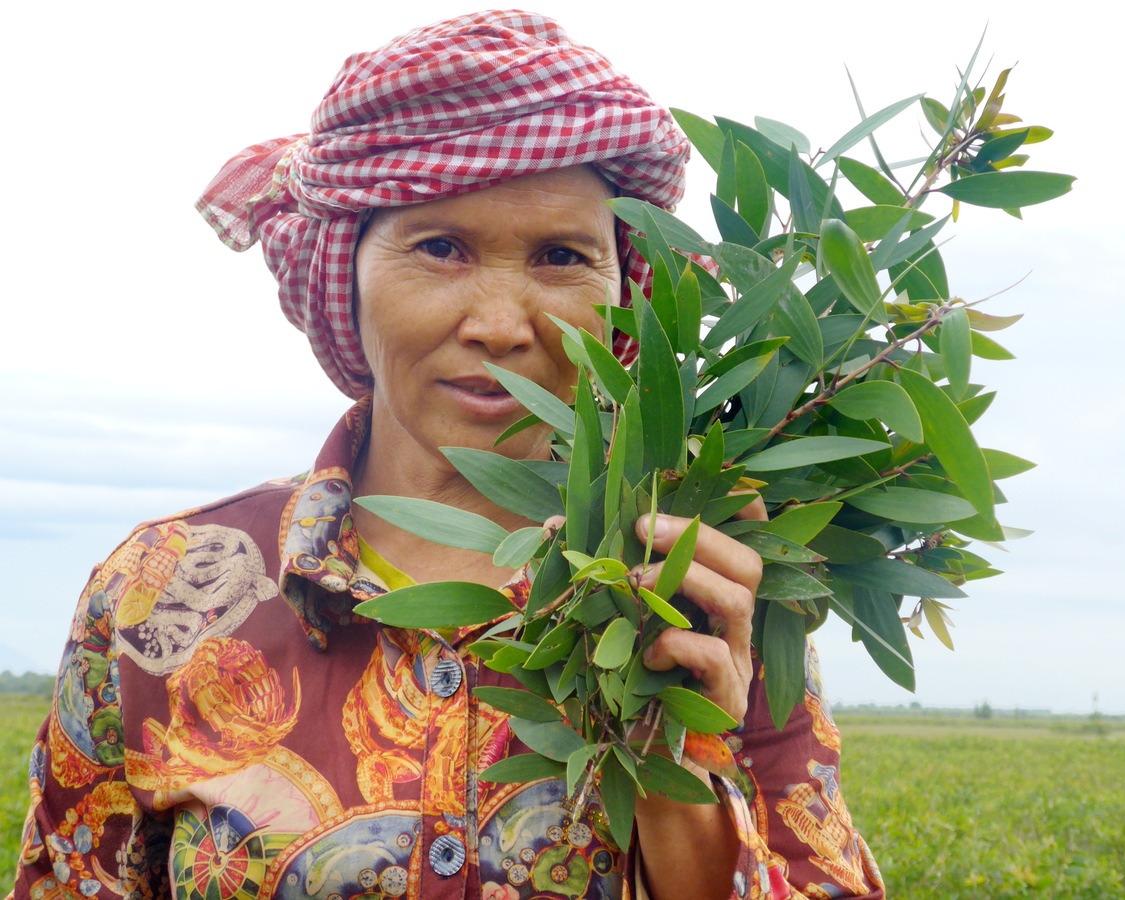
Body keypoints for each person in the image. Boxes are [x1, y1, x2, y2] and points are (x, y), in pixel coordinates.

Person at [8, 11, 885, 900]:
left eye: (560, 257)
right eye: (439, 248)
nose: (501, 325)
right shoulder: (161, 593)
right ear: (343, 270)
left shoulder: (704, 594)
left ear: (624, 293)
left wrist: (675, 778)